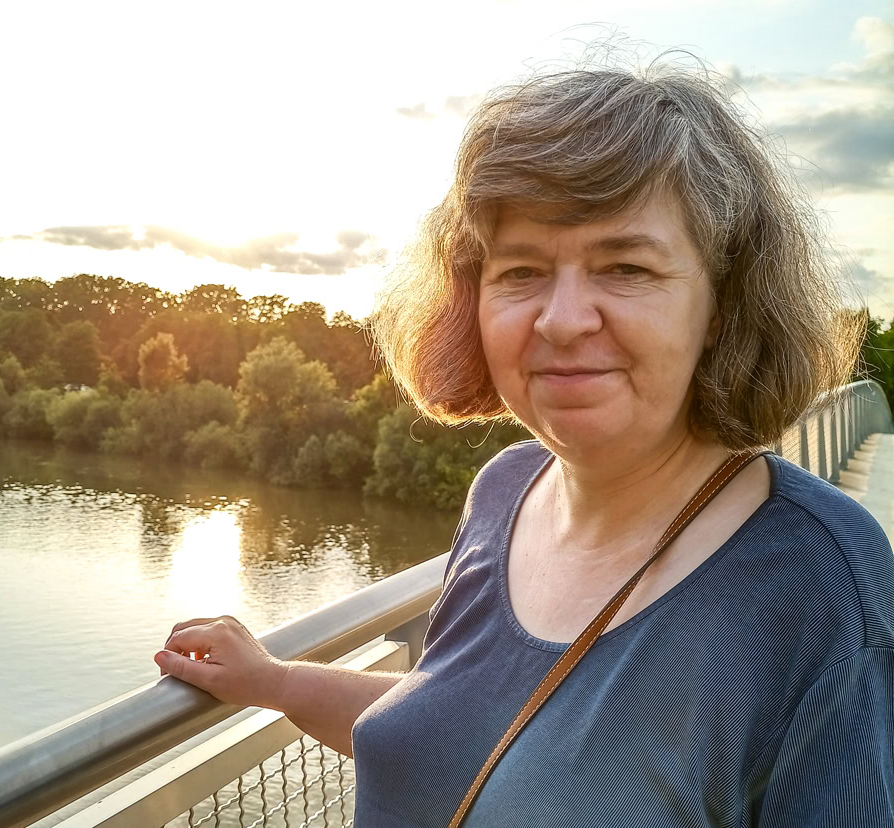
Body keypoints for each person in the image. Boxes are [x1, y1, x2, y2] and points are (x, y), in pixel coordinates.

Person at [155, 61, 894, 826]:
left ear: (721, 306)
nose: (563, 318)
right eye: (522, 271)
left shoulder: (814, 581)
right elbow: (469, 731)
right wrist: (278, 683)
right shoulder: (505, 493)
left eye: (626, 266)